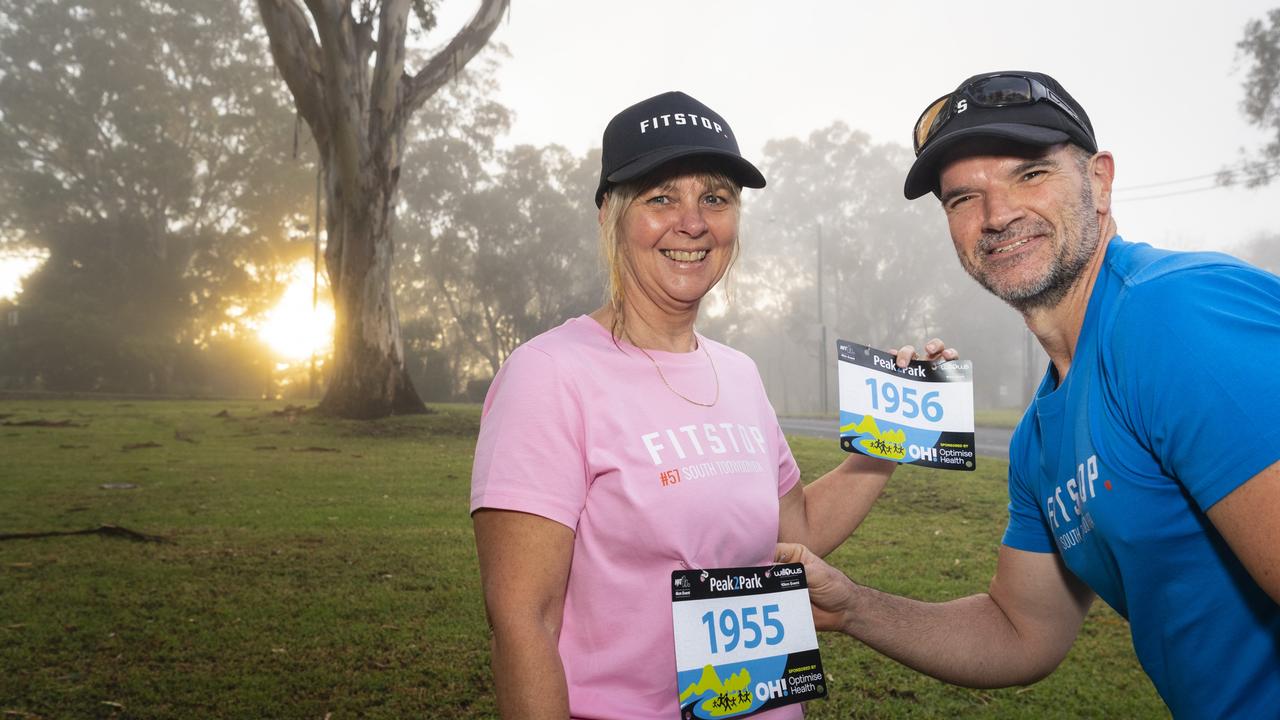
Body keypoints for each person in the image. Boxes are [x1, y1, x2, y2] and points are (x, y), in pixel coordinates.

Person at [778, 70, 1280, 718]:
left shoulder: (1171, 315)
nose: (996, 215)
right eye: (962, 198)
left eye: (1029, 174)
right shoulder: (1039, 440)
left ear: (1098, 181)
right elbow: (1019, 630)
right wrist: (854, 607)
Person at [470, 90, 955, 720]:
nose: (692, 222)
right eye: (660, 197)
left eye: (715, 198)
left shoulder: (738, 372)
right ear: (610, 216)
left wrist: (893, 431)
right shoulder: (549, 375)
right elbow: (524, 623)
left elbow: (795, 530)